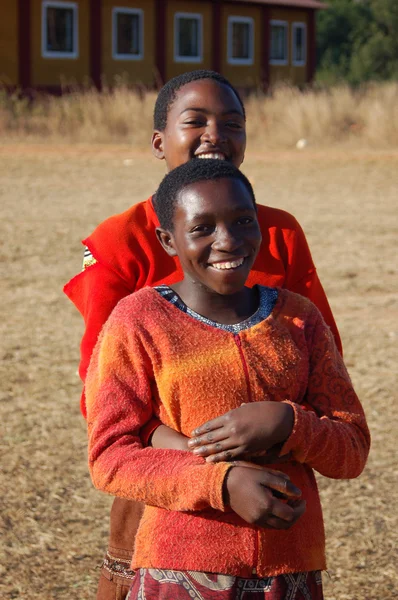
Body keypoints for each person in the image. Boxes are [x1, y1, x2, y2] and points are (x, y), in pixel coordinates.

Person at [64, 70, 342, 599]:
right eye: (196, 121)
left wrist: (284, 428)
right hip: (162, 483)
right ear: (158, 140)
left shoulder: (278, 232)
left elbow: (321, 355)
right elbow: (103, 398)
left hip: (277, 480)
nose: (215, 134)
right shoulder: (117, 242)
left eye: (232, 122)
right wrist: (208, 458)